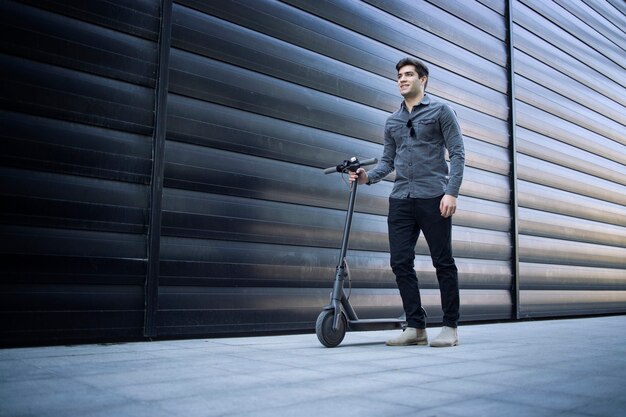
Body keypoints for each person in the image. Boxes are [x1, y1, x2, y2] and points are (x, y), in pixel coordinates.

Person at [350, 57, 464, 347]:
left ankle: (450, 327)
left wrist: (451, 192)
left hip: (434, 197)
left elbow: (458, 154)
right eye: (399, 75)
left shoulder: (442, 111)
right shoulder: (393, 121)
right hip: (401, 199)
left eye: (408, 74)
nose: (402, 79)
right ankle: (416, 327)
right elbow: (387, 162)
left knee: (443, 262)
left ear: (422, 79)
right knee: (400, 262)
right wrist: (367, 178)